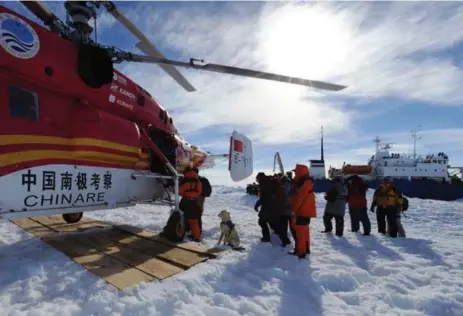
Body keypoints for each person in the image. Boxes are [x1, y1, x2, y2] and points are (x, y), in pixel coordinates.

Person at [254, 173, 290, 245]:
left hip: (268, 207)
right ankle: (285, 240)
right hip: (274, 207)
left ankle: (266, 238)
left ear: (259, 178)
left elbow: (264, 197)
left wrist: (257, 205)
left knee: (262, 221)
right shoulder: (270, 181)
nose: (257, 181)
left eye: (257, 179)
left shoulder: (264, 183)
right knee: (273, 223)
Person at [289, 164, 316, 258]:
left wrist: (294, 211)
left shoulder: (303, 183)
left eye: (296, 172)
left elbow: (300, 199)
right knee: (305, 231)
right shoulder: (306, 182)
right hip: (306, 211)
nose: (295, 174)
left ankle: (301, 252)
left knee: (300, 232)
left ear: (300, 172)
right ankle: (306, 249)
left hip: (302, 211)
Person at [179, 167, 203, 242]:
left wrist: (185, 195)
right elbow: (199, 191)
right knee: (194, 220)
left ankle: (181, 233)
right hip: (195, 201)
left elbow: (180, 191)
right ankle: (196, 237)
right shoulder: (197, 180)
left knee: (181, 217)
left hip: (186, 201)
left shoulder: (184, 180)